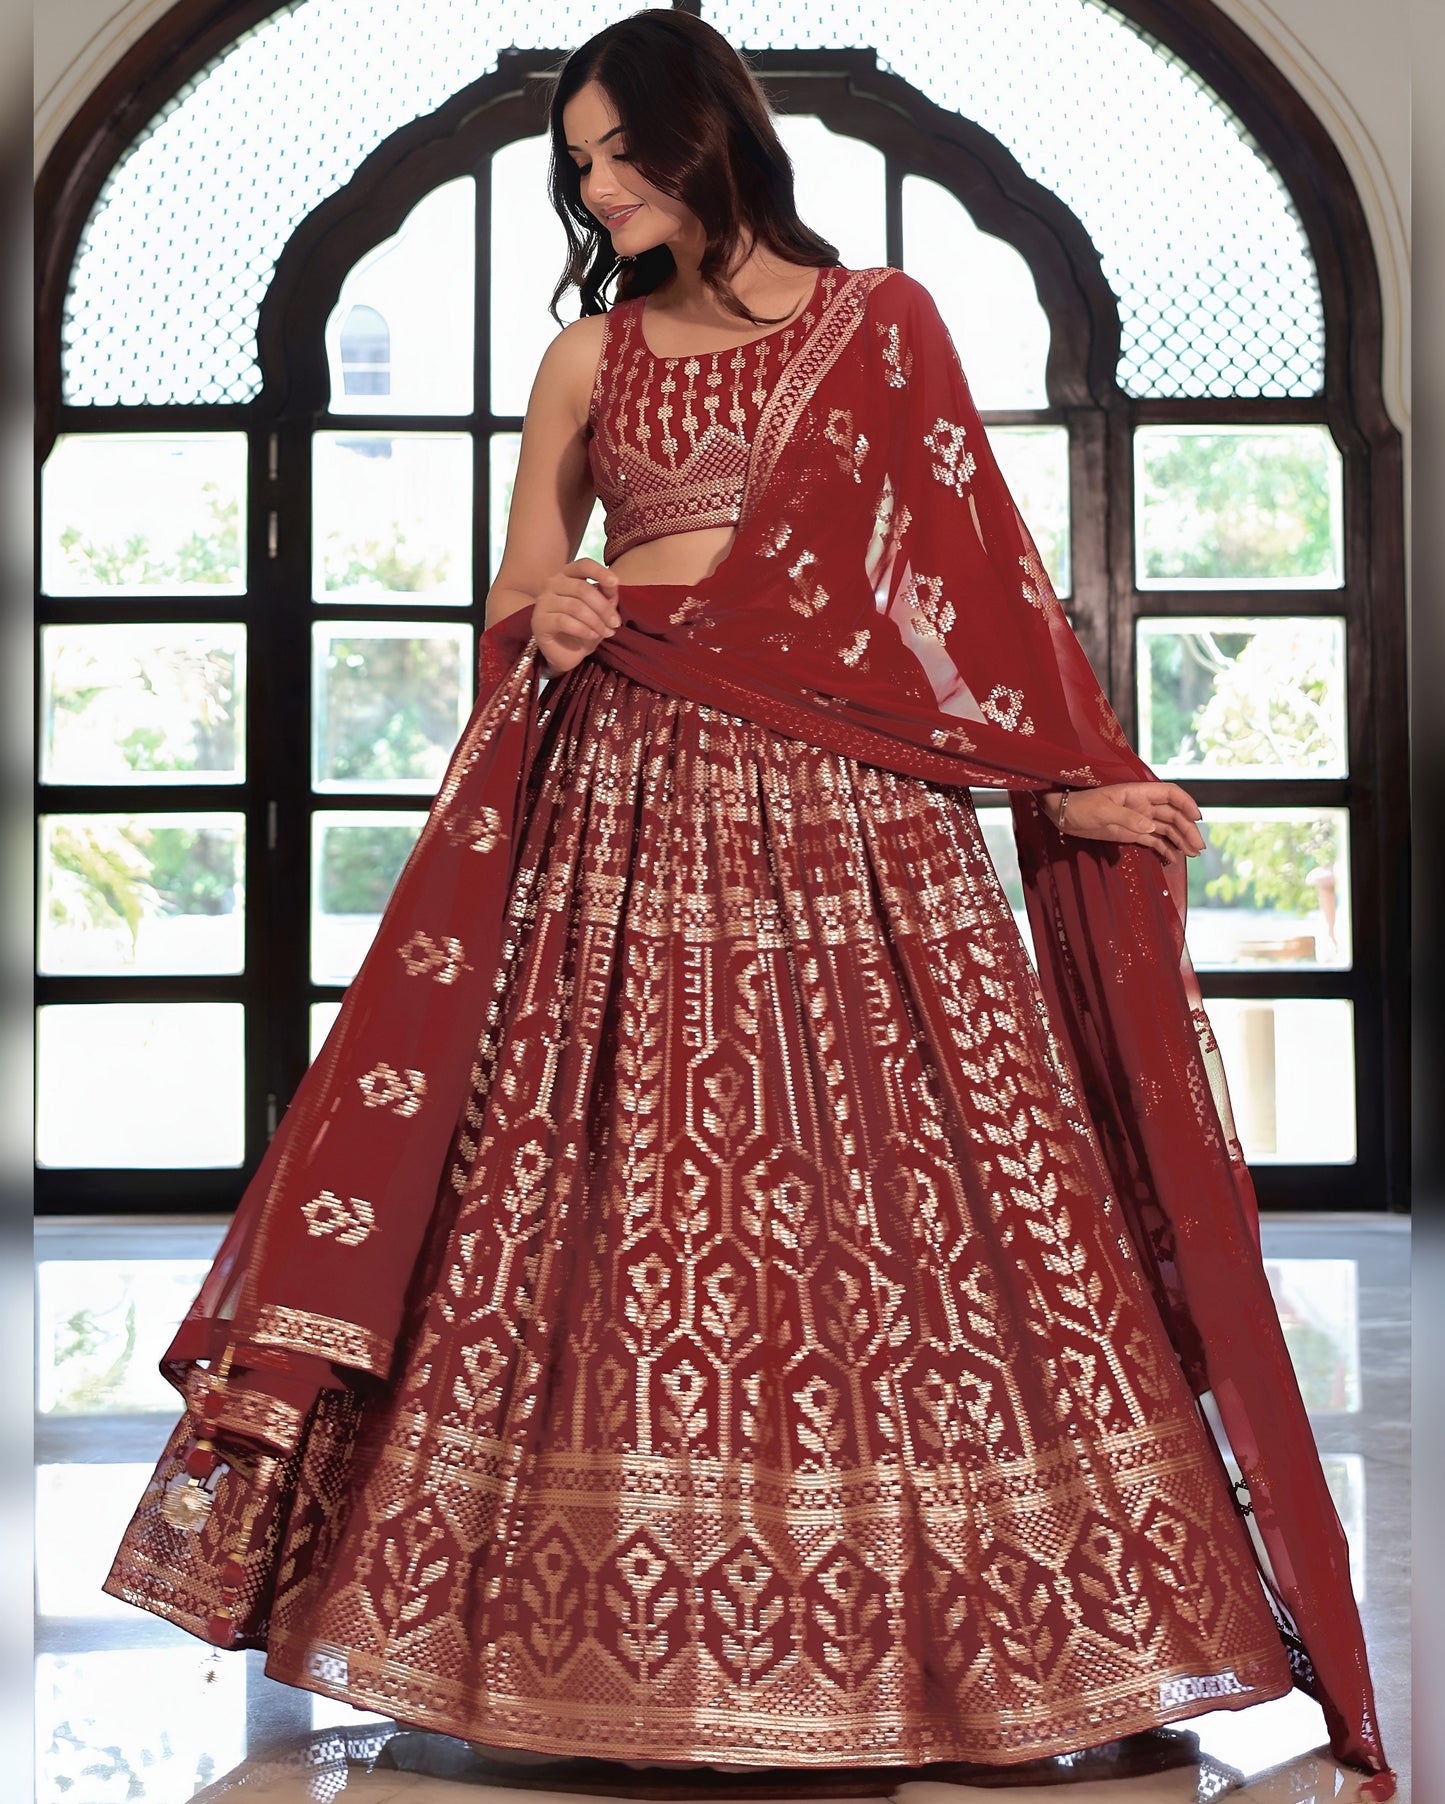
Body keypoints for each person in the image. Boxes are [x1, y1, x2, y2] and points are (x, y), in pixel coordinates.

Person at [104, 9, 1394, 1793]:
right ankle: (589, 1645)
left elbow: (971, 588)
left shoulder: (885, 326)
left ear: (708, 139)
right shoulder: (587, 356)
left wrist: (1060, 777)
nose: (595, 188)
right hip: (625, 792)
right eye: (577, 164)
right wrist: (549, 611)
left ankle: (991, 1639)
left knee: (906, 1186)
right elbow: (517, 587)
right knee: (606, 1180)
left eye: (620, 152)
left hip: (854, 806)